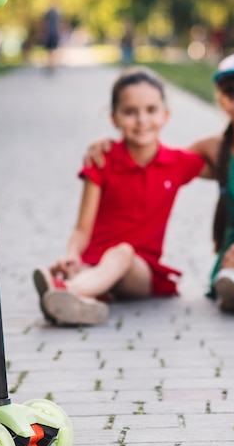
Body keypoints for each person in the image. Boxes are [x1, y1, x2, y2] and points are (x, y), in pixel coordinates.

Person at [84, 50, 234, 324]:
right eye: (233, 95)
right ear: (221, 100)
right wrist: (109, 143)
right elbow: (160, 162)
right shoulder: (214, 149)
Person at [33, 67, 206, 326]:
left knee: (123, 253)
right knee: (85, 267)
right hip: (96, 262)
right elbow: (82, 227)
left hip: (140, 272)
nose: (141, 120)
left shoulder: (178, 163)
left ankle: (65, 292)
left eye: (151, 110)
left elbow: (225, 155)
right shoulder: (101, 161)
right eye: (129, 112)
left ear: (166, 115)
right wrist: (71, 254)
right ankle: (79, 298)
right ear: (113, 118)